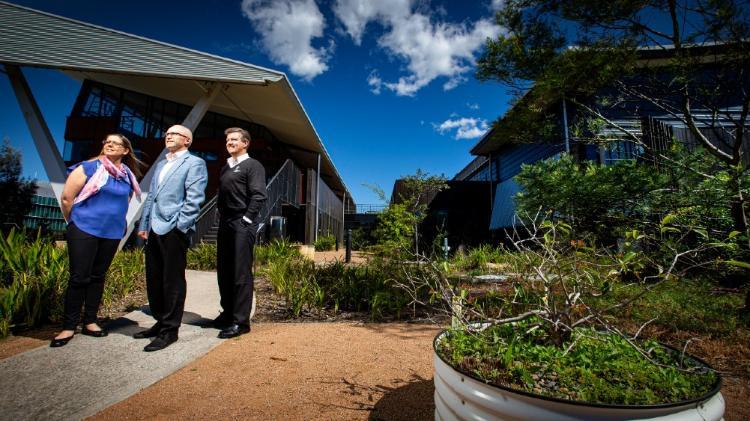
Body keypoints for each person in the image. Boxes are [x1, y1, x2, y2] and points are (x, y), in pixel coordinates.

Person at [50, 134, 143, 347]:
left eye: (115, 143)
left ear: (126, 151)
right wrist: (75, 221)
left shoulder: (127, 176)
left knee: (98, 276)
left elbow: (125, 203)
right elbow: (67, 198)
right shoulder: (88, 167)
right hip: (84, 228)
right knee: (79, 277)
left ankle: (90, 321)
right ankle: (68, 327)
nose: (109, 144)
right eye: (106, 141)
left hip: (111, 232)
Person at [135, 124, 207, 352]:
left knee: (172, 280)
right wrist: (144, 224)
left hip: (174, 229)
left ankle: (170, 330)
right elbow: (151, 198)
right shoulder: (161, 165)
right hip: (153, 228)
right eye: (167, 134)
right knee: (154, 277)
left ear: (187, 140)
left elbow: (194, 198)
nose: (168, 136)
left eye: (174, 134)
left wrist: (180, 226)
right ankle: (160, 321)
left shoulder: (195, 163)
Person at [214, 127, 267, 338]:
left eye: (234, 139)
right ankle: (227, 314)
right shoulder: (226, 166)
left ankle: (241, 322)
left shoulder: (253, 165)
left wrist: (246, 219)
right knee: (224, 271)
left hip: (241, 223)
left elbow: (259, 195)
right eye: (228, 139)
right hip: (225, 223)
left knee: (240, 272)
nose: (229, 142)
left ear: (245, 143)